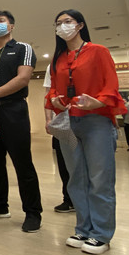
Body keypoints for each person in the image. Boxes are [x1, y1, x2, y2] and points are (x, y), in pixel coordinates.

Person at [46, 9, 126, 255]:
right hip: (69, 123)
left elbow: (111, 85)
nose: (62, 26)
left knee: (100, 179)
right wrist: (56, 99)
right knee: (76, 178)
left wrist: (98, 102)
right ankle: (83, 228)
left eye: (67, 21)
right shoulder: (58, 59)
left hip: (96, 121)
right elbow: (53, 89)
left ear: (80, 25)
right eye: (58, 23)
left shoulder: (98, 51)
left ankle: (101, 234)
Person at [0, 10, 42, 233]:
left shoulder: (22, 48)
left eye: (1, 21)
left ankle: (32, 212)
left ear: (11, 26)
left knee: (22, 162)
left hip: (14, 110)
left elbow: (23, 78)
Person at [43, 69, 74, 213]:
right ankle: (69, 199)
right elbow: (48, 94)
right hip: (62, 122)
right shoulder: (53, 66)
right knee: (63, 163)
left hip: (82, 120)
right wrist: (48, 119)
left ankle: (84, 200)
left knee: (81, 164)